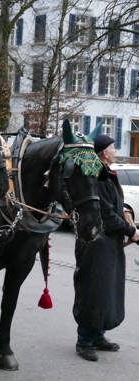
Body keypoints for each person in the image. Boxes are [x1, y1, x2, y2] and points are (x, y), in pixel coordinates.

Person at [73, 134, 139, 362]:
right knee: (92, 291)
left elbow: (114, 207)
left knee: (105, 293)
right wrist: (132, 232)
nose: (114, 149)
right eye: (112, 147)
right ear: (103, 152)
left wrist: (126, 212)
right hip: (95, 243)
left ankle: (98, 335)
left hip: (108, 245)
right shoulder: (97, 176)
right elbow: (105, 214)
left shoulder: (107, 172)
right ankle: (84, 341)